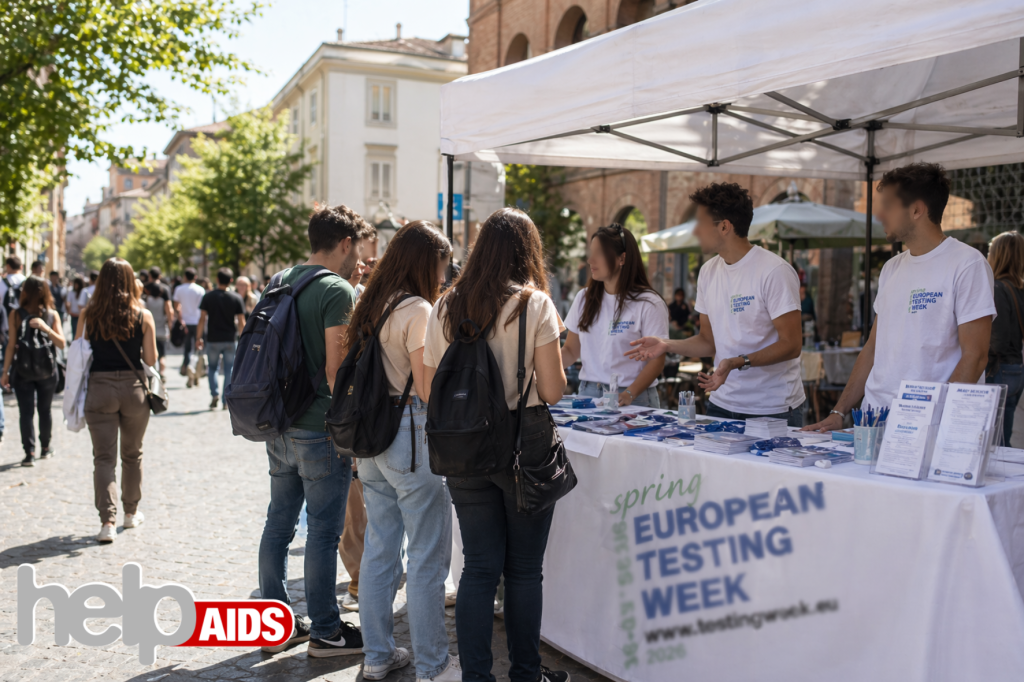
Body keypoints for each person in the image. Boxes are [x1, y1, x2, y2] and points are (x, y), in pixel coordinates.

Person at [423, 207, 569, 682]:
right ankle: (527, 675)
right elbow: (551, 391)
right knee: (524, 572)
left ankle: (476, 677)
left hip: (464, 449)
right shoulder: (534, 304)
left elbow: (430, 390)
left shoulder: (446, 305)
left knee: (479, 570)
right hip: (522, 450)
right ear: (528, 252)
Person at [258, 204, 374, 657]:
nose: (358, 259)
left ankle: (276, 625)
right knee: (325, 534)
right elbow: (335, 370)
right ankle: (327, 630)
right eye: (358, 250)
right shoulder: (335, 290)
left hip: (279, 424)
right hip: (320, 429)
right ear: (345, 244)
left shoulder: (280, 280)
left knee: (279, 524)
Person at [345, 221, 458, 682]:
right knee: (428, 557)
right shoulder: (417, 310)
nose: (445, 274)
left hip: (370, 440)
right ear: (426, 263)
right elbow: (428, 387)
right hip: (409, 436)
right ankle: (434, 665)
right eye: (443, 265)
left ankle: (376, 656)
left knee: (379, 550)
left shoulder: (372, 302)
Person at [804, 163, 994, 432]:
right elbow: (872, 347)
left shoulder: (967, 264)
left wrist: (934, 421)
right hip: (874, 422)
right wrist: (839, 411)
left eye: (888, 205)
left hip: (928, 427)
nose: (879, 214)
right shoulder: (891, 268)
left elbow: (975, 357)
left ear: (916, 209)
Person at [627, 182, 805, 425]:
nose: (696, 231)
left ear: (724, 226)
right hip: (721, 404)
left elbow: (792, 344)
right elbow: (707, 342)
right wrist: (665, 344)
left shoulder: (774, 271)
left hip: (772, 408)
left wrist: (737, 362)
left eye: (700, 223)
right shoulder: (708, 271)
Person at [77, 258, 158, 543]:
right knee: (132, 454)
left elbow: (79, 356)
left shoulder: (88, 314)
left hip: (100, 388)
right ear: (129, 280)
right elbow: (150, 360)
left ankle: (107, 522)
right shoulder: (142, 315)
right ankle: (130, 513)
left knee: (103, 458)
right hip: (134, 389)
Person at [561, 224, 668, 408]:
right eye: (590, 252)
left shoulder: (649, 303)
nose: (590, 260)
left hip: (635, 397)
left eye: (599, 253)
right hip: (588, 394)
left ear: (622, 258)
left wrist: (629, 393)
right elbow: (571, 351)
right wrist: (539, 370)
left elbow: (656, 361)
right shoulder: (583, 298)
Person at [2, 276, 65, 466]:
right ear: (46, 292)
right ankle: (45, 449)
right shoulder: (52, 314)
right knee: (44, 410)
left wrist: (5, 371)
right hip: (46, 370)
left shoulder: (16, 314)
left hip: (23, 369)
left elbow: (11, 345)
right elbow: (61, 344)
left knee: (26, 412)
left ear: (25, 292)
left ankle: (29, 452)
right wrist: (48, 328)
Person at [986, 232, 1024, 446]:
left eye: (990, 252)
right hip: (1017, 370)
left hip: (998, 371)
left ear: (998, 255)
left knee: (995, 444)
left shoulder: (997, 288)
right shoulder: (1020, 289)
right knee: (1003, 439)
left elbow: (997, 341)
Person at [195, 268, 245, 410]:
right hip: (230, 339)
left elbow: (202, 319)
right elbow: (241, 321)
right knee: (229, 369)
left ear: (217, 280)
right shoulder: (236, 298)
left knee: (212, 368)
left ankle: (214, 394)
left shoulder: (208, 297)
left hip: (213, 339)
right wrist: (245, 339)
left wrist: (198, 337)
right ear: (231, 281)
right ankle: (225, 400)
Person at [172, 267, 205, 383]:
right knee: (198, 348)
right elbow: (203, 310)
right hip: (198, 322)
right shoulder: (201, 290)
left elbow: (176, 307)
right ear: (195, 277)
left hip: (185, 323)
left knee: (187, 349)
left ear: (185, 277)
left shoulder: (179, 289)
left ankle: (189, 373)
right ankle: (196, 373)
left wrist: (181, 320)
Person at [143, 281, 173, 381]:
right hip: (162, 331)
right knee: (162, 355)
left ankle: (154, 372)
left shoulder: (148, 300)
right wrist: (170, 327)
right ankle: (162, 373)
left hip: (150, 331)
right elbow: (169, 313)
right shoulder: (163, 301)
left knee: (151, 352)